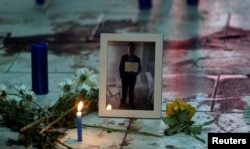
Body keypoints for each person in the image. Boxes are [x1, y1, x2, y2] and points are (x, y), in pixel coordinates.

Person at [119, 42, 141, 109]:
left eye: (132, 48)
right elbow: (120, 67)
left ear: (134, 49)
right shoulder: (124, 57)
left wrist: (135, 73)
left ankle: (131, 102)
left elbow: (140, 69)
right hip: (125, 77)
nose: (131, 49)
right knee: (124, 90)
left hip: (132, 78)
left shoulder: (137, 59)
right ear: (127, 48)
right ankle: (123, 101)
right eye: (130, 48)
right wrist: (121, 76)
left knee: (131, 91)